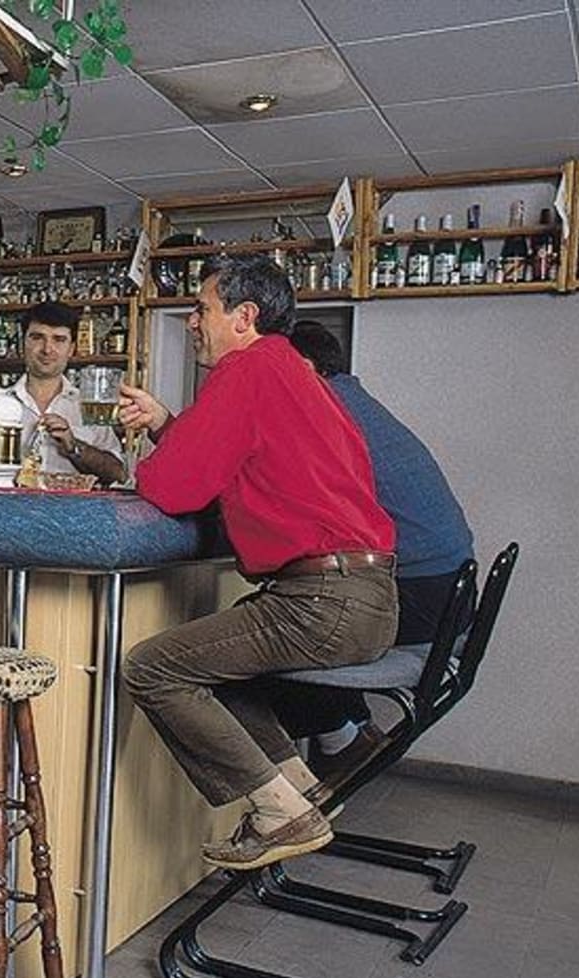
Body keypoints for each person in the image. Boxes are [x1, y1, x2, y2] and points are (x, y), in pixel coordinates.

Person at [116, 254, 398, 870]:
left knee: (153, 668)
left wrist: (143, 462)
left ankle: (278, 812)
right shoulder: (292, 372)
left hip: (322, 600)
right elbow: (228, 457)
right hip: (366, 594)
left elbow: (173, 488)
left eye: (201, 309)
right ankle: (299, 789)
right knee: (219, 672)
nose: (192, 322)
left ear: (244, 317)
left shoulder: (246, 369)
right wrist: (168, 426)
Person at [270, 320, 475, 785]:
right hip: (449, 594)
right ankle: (349, 735)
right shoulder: (359, 403)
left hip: (421, 597)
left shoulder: (323, 411)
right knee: (310, 605)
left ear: (304, 367)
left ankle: (340, 743)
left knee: (274, 631)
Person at [10, 302, 127, 485]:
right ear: (22, 343)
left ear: (72, 348)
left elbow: (118, 474)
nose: (47, 349)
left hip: (73, 504)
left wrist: (73, 446)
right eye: (37, 337)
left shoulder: (91, 406)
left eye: (59, 339)